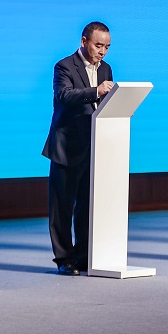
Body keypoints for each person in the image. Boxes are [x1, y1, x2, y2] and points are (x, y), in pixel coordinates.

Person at [43, 22, 113, 276]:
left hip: (93, 146)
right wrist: (96, 91)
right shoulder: (64, 66)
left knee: (87, 205)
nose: (102, 51)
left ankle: (83, 255)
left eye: (107, 47)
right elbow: (65, 96)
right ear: (84, 41)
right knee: (62, 207)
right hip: (66, 145)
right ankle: (64, 258)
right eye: (98, 45)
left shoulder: (105, 68)